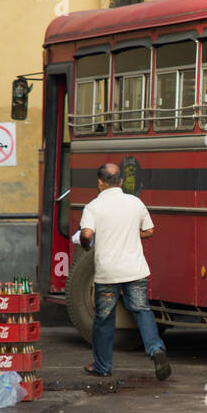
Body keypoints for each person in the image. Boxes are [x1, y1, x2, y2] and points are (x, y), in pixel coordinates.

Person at [78, 163, 170, 380]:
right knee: (141, 310)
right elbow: (149, 230)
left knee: (104, 318)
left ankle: (102, 366)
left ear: (100, 182)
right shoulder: (134, 202)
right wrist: (129, 234)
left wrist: (84, 243)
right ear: (120, 181)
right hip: (135, 269)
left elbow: (87, 234)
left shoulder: (93, 207)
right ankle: (156, 349)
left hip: (108, 272)